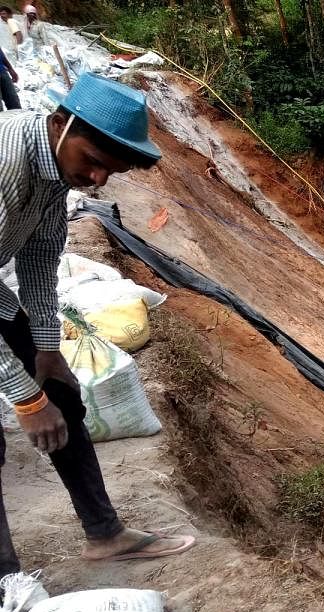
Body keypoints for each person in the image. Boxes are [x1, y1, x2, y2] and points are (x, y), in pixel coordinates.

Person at [0, 72, 195, 573]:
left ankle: (105, 534)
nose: (97, 181)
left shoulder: (51, 168)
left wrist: (45, 350)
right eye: (92, 162)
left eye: (111, 172)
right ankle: (7, 588)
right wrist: (24, 399)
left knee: (60, 390)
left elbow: (41, 258)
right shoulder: (6, 163)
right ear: (62, 123)